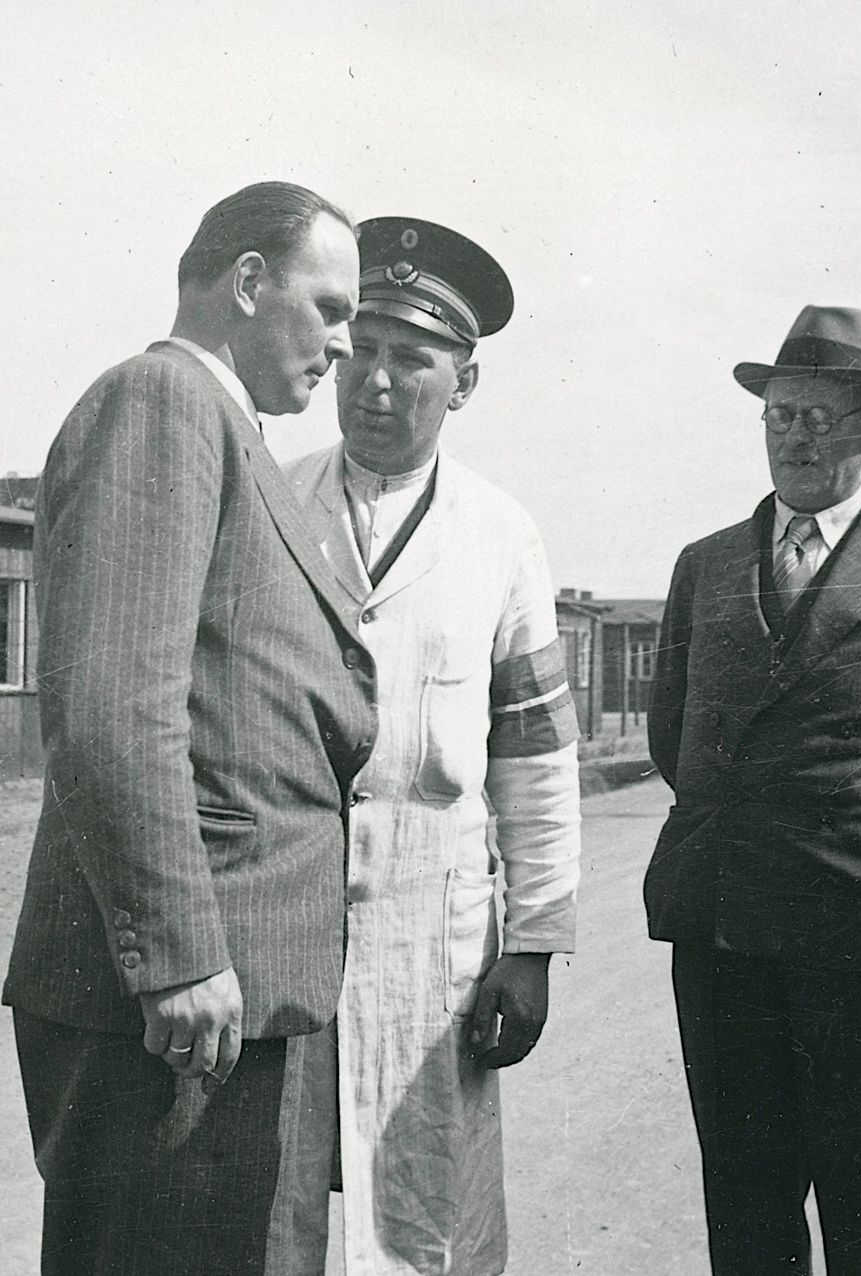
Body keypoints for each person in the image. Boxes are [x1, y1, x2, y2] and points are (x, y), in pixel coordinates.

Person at [2, 181, 377, 1275]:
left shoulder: (228, 430)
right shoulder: (163, 403)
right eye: (331, 306)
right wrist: (176, 955)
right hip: (176, 1004)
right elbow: (113, 708)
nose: (344, 345)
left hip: (229, 990)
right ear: (248, 282)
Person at [281, 217, 582, 1275]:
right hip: (287, 920)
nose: (374, 380)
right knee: (274, 1211)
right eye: (358, 347)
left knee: (428, 1218)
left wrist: (535, 943)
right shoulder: (272, 502)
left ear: (464, 382)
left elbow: (538, 759)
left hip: (434, 934)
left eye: (412, 359)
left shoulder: (502, 535)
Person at [644, 305, 861, 1275]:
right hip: (722, 933)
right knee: (746, 1198)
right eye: (781, 414)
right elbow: (676, 735)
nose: (796, 436)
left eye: (822, 417)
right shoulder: (705, 566)